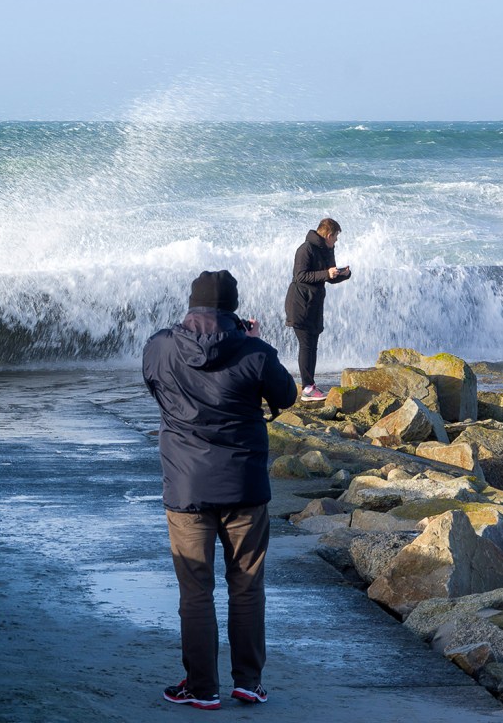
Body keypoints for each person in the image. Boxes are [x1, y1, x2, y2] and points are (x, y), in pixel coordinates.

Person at [142, 269, 297, 710]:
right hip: (245, 487)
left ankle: (201, 687)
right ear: (233, 308)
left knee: (195, 590)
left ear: (191, 306)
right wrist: (258, 341)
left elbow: (155, 387)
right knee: (246, 585)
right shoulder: (254, 351)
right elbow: (285, 397)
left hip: (187, 486)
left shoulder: (159, 347)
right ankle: (248, 681)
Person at [284, 217, 351, 401]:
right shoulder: (305, 249)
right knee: (306, 345)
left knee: (312, 345)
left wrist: (344, 274)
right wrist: (326, 273)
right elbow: (300, 275)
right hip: (299, 303)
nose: (336, 241)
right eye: (335, 238)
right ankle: (307, 388)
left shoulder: (326, 250)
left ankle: (310, 386)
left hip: (314, 305)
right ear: (329, 235)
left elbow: (328, 277)